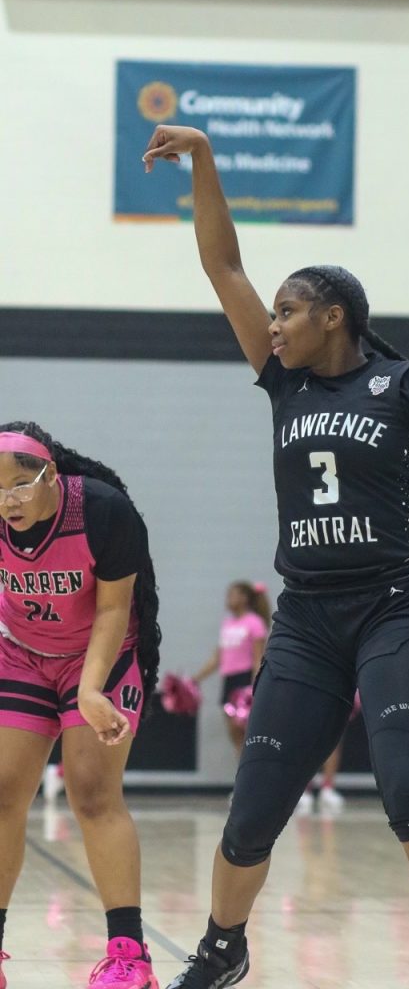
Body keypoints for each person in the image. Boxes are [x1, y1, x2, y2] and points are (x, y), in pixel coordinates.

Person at [142, 125, 409, 989]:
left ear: (331, 316)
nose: (271, 323)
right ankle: (223, 946)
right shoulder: (284, 382)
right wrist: (205, 161)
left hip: (394, 609)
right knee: (253, 806)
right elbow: (222, 269)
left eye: (287, 311)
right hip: (304, 617)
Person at [0, 422, 162, 989]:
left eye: (19, 485)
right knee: (1, 791)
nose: (7, 501)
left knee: (91, 791)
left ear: (50, 474)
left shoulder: (102, 510)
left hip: (102, 650)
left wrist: (90, 691)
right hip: (20, 652)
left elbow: (116, 609)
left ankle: (129, 957)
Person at [194, 581, 270, 756]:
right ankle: (243, 776)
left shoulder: (254, 622)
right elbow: (218, 658)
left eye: (232, 594)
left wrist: (254, 687)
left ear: (244, 598)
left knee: (247, 731)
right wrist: (195, 679)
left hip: (245, 680)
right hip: (229, 681)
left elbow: (259, 657)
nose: (228, 598)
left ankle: (254, 775)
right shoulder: (228, 623)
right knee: (233, 732)